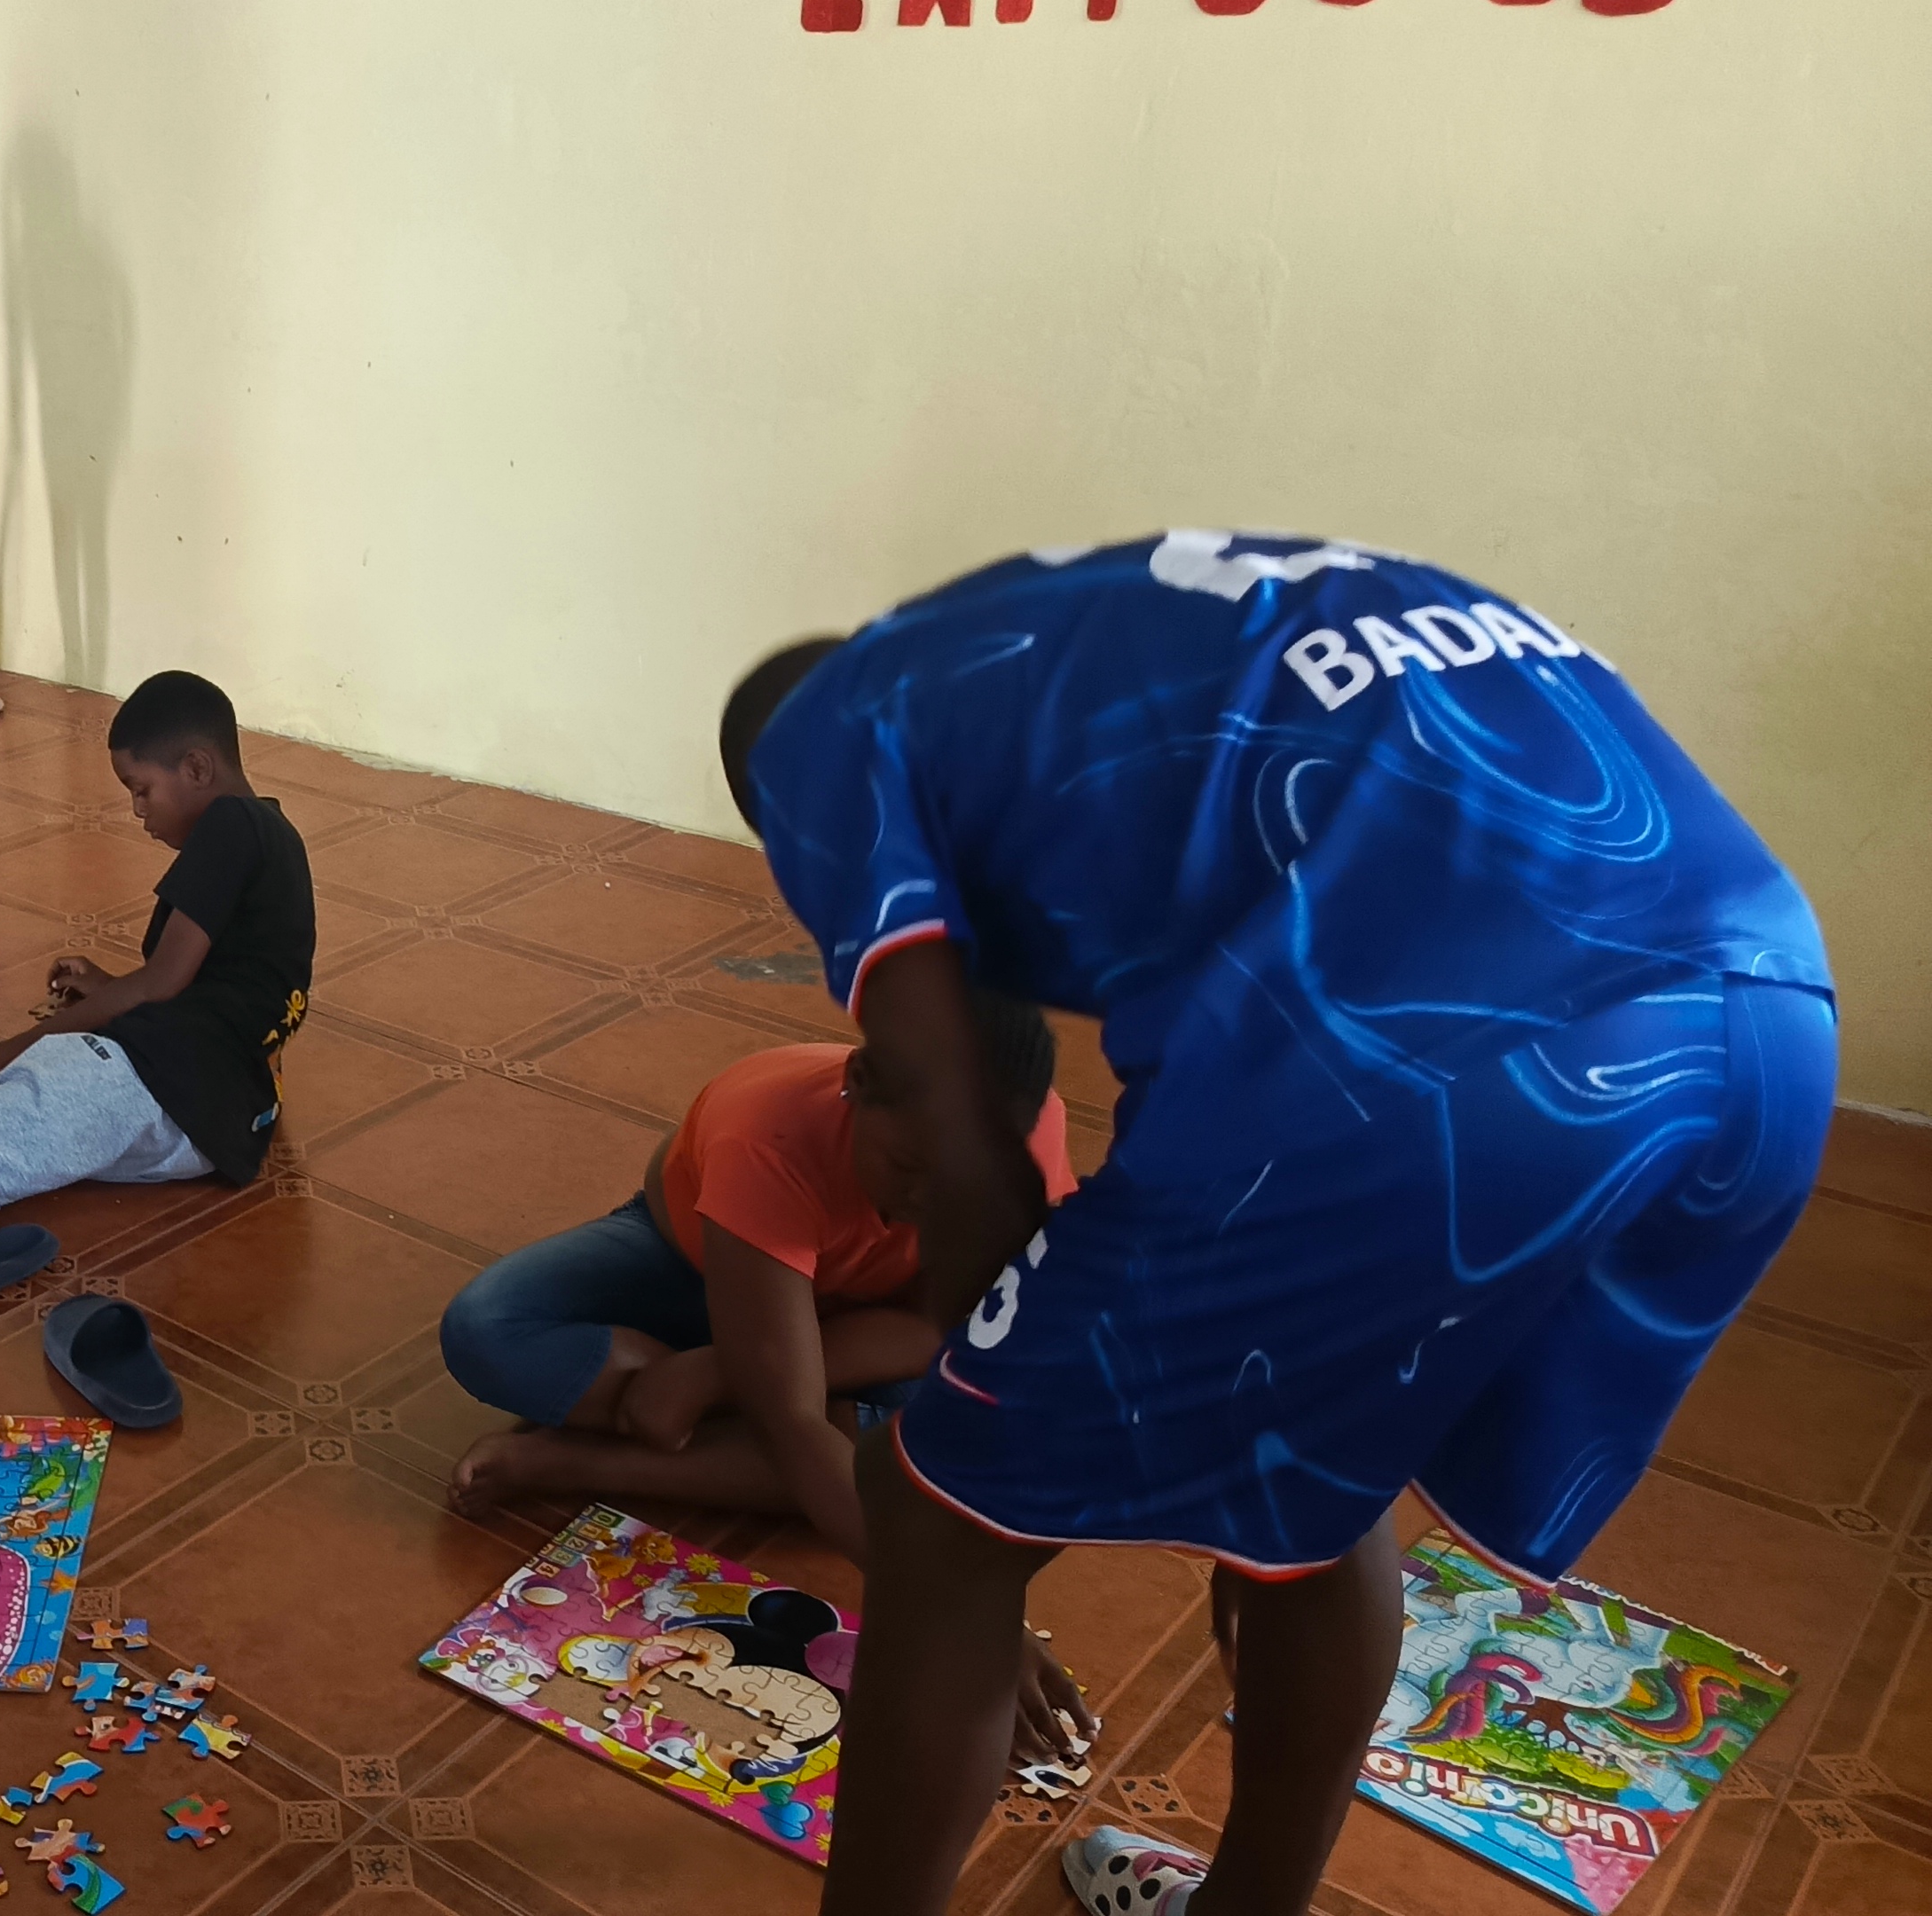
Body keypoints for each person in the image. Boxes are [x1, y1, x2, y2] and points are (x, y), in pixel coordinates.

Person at [726, 532, 1836, 1916]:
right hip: (1768, 1017)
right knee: (1312, 1487)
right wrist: (1220, 1418)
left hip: (1448, 1059)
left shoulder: (824, 736)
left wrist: (993, 1416)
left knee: (936, 1510)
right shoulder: (1065, 631)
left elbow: (964, 1150)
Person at [437, 1015, 1089, 1766]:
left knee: (985, 1424)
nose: (932, 1202)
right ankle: (766, 1397)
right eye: (909, 1163)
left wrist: (720, 1372)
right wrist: (965, 1618)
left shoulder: (1023, 1134)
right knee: (490, 1328)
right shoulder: (768, 1132)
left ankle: (577, 1457)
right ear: (858, 1086)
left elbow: (948, 1319)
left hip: (870, 1321)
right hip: (699, 1267)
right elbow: (795, 1422)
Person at [0, 671, 314, 1245]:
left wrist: (21, 1045)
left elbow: (161, 984)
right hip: (202, 1115)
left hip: (157, 1087)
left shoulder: (231, 822)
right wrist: (107, 985)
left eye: (142, 789)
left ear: (198, 768)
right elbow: (219, 987)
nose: (138, 810)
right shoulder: (275, 836)